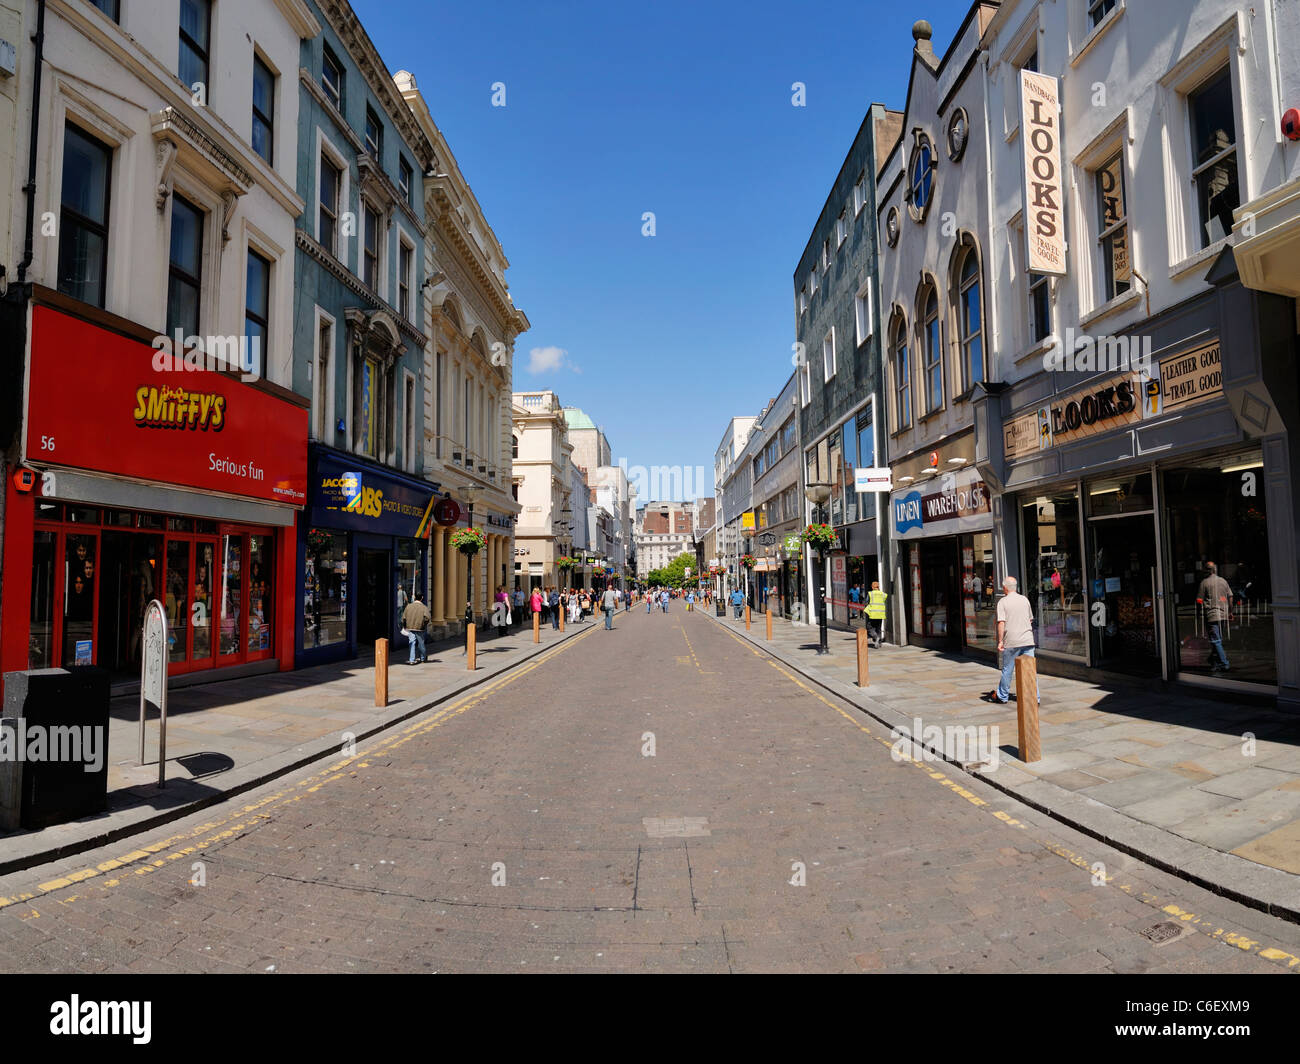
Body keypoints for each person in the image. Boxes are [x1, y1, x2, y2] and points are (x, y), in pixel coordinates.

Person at [983, 576, 1039, 704]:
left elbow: (1001, 623)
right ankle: (1034, 697)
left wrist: (1000, 641)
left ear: (1004, 588)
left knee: (1008, 669)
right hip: (1027, 640)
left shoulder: (1003, 602)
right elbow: (1030, 619)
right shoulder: (1024, 599)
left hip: (1012, 640)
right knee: (1030, 670)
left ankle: (1002, 696)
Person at [1198, 561, 1233, 673]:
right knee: (1217, 640)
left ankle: (1224, 663)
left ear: (1208, 570)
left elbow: (1199, 600)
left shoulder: (1204, 583)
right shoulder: (1223, 581)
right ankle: (1214, 663)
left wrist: (1199, 613)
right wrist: (1230, 612)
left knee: (1216, 641)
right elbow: (1230, 597)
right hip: (1223, 615)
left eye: (1205, 569)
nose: (1204, 571)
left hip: (1212, 616)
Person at [402, 590, 431, 664]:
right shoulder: (424, 607)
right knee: (421, 644)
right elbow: (427, 618)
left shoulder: (409, 606)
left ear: (414, 598)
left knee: (412, 643)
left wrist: (405, 625)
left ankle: (412, 660)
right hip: (420, 628)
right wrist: (423, 624)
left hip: (410, 627)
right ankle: (423, 658)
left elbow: (403, 617)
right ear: (422, 598)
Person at [865, 580, 888, 648]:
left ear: (872, 587)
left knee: (869, 627)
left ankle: (876, 637)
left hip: (873, 614)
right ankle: (879, 643)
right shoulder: (883, 594)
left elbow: (866, 602)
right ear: (878, 587)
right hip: (880, 614)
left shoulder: (870, 593)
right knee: (878, 628)